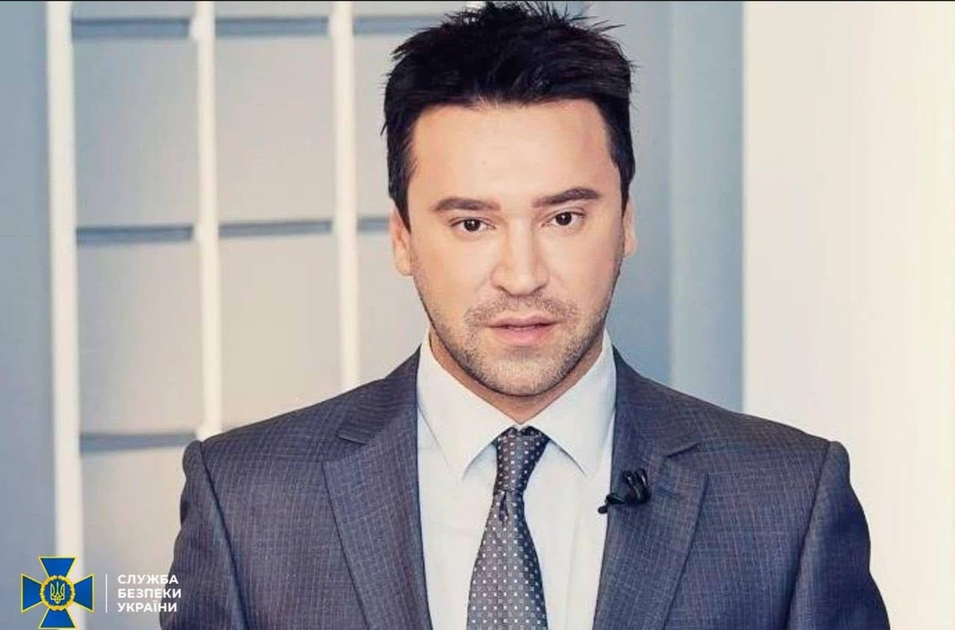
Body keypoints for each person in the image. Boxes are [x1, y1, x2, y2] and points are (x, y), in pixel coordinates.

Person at [162, 3, 889, 628]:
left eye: (563, 218)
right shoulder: (246, 500)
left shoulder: (787, 500)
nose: (521, 275)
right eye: (472, 224)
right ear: (403, 238)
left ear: (626, 223)